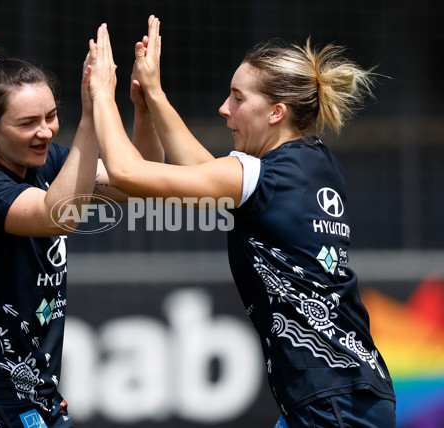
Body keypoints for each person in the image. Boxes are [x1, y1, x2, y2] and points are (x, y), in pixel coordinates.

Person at [86, 17, 396, 428]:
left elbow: (129, 173)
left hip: (332, 401)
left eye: (237, 98)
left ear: (275, 113)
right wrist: (155, 97)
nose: (224, 108)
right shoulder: (315, 162)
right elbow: (208, 176)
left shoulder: (266, 175)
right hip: (341, 393)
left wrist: (101, 94)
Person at [0, 43, 162, 427]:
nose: (45, 131)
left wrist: (143, 106)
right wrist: (90, 115)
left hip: (40, 398)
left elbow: (142, 182)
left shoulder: (49, 161)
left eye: (52, 116)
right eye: (27, 123)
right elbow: (59, 216)